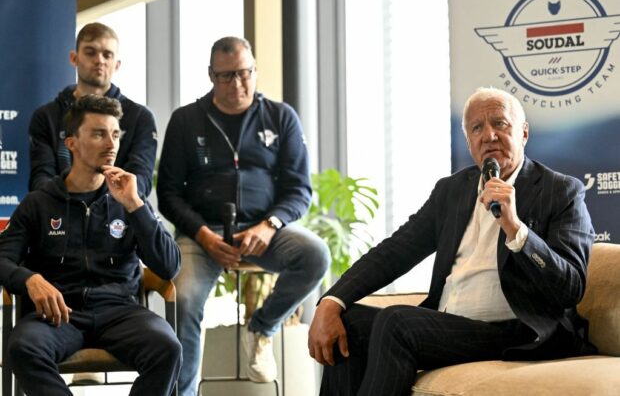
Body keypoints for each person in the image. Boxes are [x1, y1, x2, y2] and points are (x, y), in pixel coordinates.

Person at [308, 87, 597, 396]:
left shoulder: (561, 190)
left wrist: (516, 229)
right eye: (477, 128)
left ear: (523, 133)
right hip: (451, 325)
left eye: (500, 123)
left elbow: (570, 287)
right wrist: (331, 301)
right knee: (350, 323)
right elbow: (394, 251)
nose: (489, 135)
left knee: (397, 321)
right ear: (469, 142)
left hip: (517, 330)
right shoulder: (451, 191)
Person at [157, 36, 330, 396]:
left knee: (315, 255)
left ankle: (261, 329)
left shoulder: (280, 117)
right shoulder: (186, 120)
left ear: (254, 70)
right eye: (225, 76)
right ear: (210, 76)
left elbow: (300, 190)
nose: (237, 84)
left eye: (244, 73)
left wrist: (270, 226)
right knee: (184, 300)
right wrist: (202, 234)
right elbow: (168, 194)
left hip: (262, 231)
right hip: (201, 236)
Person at [0, 95, 182, 396]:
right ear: (70, 142)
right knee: (23, 348)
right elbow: (2, 258)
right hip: (59, 316)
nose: (111, 144)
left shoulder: (129, 199)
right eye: (99, 134)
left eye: (115, 135)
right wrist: (29, 279)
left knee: (167, 348)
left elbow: (170, 266)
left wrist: (136, 206)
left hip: (119, 311)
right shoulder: (39, 203)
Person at [29, 22, 157, 197]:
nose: (100, 60)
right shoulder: (47, 116)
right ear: (74, 58)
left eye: (107, 54)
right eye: (91, 52)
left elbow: (140, 180)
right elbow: (41, 177)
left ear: (117, 64)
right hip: (59, 213)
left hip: (117, 215)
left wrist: (102, 209)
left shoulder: (140, 117)